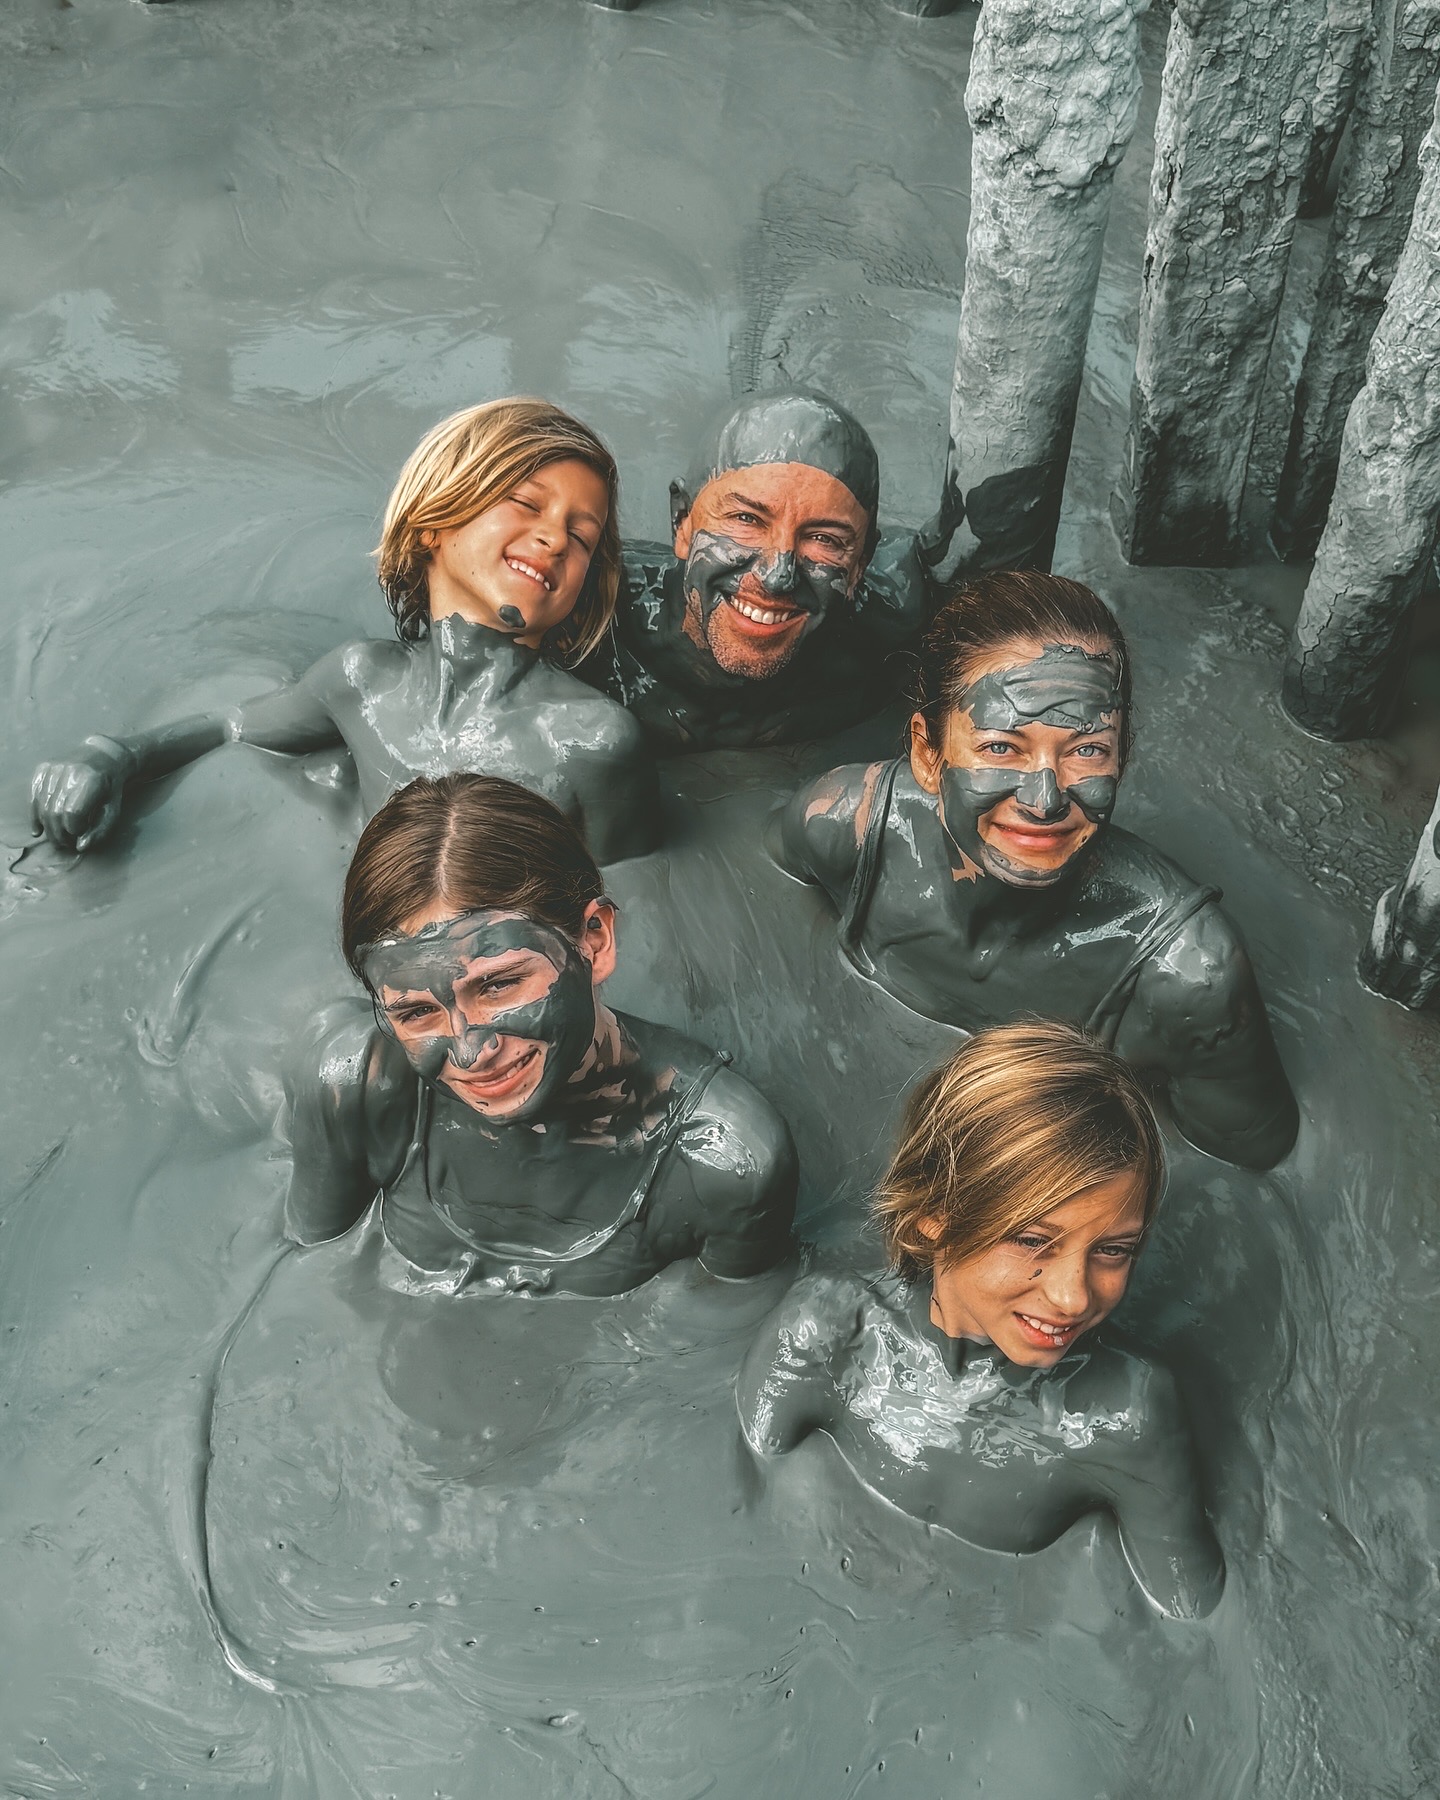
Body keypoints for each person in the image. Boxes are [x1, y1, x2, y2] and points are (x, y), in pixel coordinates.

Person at [770, 570, 1298, 1170]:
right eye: (1001, 748)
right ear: (927, 753)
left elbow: (1250, 1172)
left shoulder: (1188, 977)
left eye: (1087, 750)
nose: (1044, 799)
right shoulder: (845, 824)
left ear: (1123, 758)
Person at [737, 1021, 1226, 1623]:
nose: (1073, 1297)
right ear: (932, 1217)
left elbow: (1192, 1622)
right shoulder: (827, 1336)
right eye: (1032, 1240)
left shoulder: (1124, 1418)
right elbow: (742, 1505)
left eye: (1113, 1250)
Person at [29, 398, 659, 864]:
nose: (554, 538)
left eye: (582, 537)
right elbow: (232, 725)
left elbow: (628, 904)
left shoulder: (591, 741)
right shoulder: (365, 682)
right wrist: (111, 756)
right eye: (526, 504)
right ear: (434, 522)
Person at [285, 772, 796, 1295]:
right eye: (416, 1013)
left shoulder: (722, 1163)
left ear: (595, 941)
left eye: (499, 985)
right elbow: (309, 1279)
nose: (469, 1052)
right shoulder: (353, 1084)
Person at [576, 389, 959, 750]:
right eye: (746, 519)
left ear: (861, 563)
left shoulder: (893, 627)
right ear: (682, 522)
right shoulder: (587, 616)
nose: (778, 576)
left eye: (823, 539)